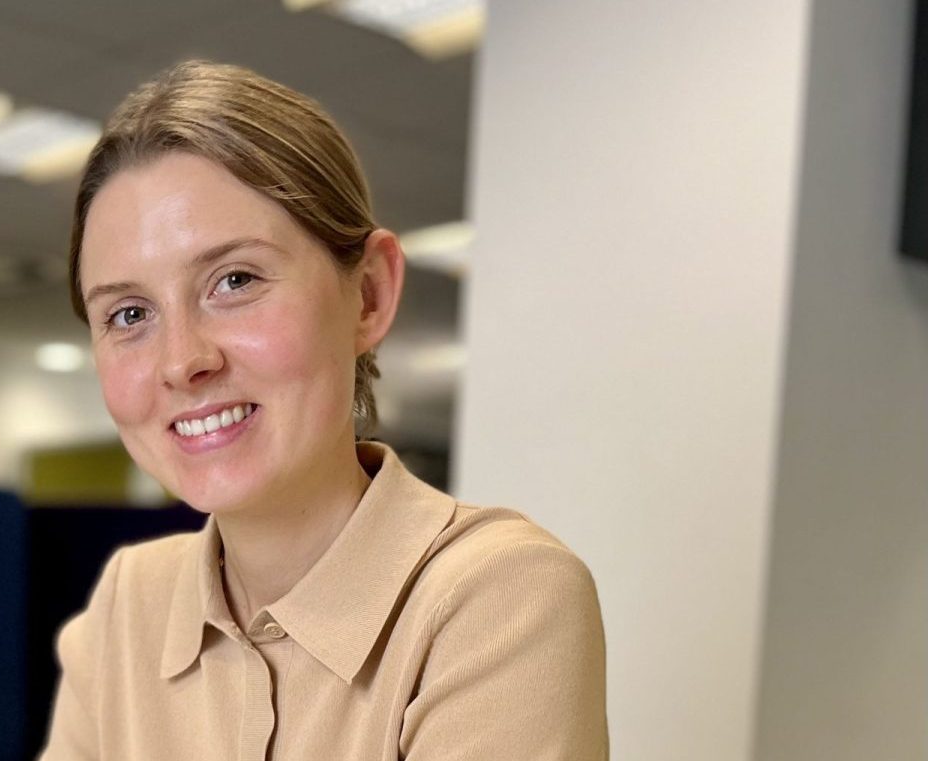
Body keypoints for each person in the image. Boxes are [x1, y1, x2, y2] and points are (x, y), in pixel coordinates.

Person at [39, 60, 609, 760]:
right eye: (129, 312)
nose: (180, 360)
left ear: (368, 294)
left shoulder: (493, 597)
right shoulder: (128, 606)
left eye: (235, 280)